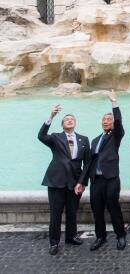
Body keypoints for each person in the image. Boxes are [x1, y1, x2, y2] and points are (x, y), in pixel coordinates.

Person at [77, 91, 127, 251]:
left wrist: (114, 103)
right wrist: (81, 182)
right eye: (104, 120)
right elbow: (89, 162)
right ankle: (101, 237)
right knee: (97, 209)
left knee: (113, 207)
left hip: (111, 178)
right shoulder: (95, 140)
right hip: (96, 180)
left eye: (108, 120)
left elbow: (118, 122)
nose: (106, 122)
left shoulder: (116, 136)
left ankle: (121, 236)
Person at [38, 105, 90, 255]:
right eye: (66, 119)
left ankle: (71, 236)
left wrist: (82, 182)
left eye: (71, 119)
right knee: (56, 213)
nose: (69, 120)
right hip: (56, 180)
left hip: (75, 182)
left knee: (72, 211)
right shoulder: (55, 137)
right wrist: (51, 117)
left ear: (75, 123)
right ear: (62, 124)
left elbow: (87, 163)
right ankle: (54, 242)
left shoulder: (84, 139)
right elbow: (41, 136)